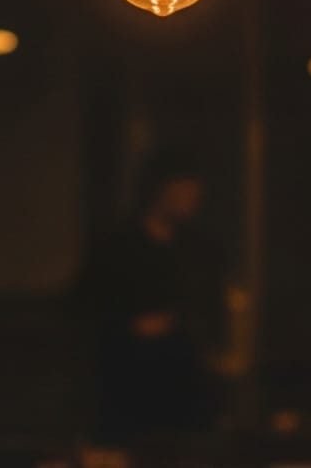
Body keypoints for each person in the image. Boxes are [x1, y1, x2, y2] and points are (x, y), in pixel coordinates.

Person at [75, 150, 228, 442]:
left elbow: (210, 311)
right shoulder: (119, 248)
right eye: (183, 191)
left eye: (194, 193)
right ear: (160, 190)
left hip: (187, 386)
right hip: (129, 386)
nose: (191, 200)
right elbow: (85, 310)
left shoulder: (198, 251)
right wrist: (131, 326)